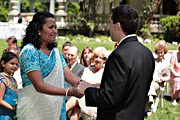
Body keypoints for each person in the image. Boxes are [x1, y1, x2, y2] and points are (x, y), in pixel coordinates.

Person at [77, 5, 155, 120]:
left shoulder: (118, 55)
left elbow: (109, 99)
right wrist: (104, 86)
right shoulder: (147, 53)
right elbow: (131, 88)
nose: (109, 27)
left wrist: (87, 89)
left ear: (117, 25)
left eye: (110, 23)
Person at [16, 11, 82, 120]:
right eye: (51, 27)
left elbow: (69, 75)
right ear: (38, 30)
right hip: (34, 109)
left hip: (56, 109)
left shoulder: (55, 52)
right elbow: (39, 85)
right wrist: (68, 92)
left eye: (55, 27)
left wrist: (89, 86)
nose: (55, 31)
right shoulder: (29, 51)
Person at [147, 40, 171, 114]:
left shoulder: (166, 64)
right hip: (151, 80)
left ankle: (150, 99)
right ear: (156, 52)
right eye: (158, 52)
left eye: (162, 52)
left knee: (150, 84)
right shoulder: (153, 61)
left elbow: (168, 76)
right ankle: (147, 106)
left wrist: (162, 79)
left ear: (164, 52)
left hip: (159, 83)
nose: (160, 54)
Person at [66, 46, 85, 120]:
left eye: (72, 55)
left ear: (77, 55)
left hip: (72, 101)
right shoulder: (64, 67)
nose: (69, 57)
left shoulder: (82, 69)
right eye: (68, 55)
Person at [0, 52, 19, 120]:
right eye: (12, 63)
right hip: (3, 115)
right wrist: (13, 108)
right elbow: (0, 100)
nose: (15, 66)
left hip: (11, 115)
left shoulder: (13, 80)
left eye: (17, 64)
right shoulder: (2, 79)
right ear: (3, 64)